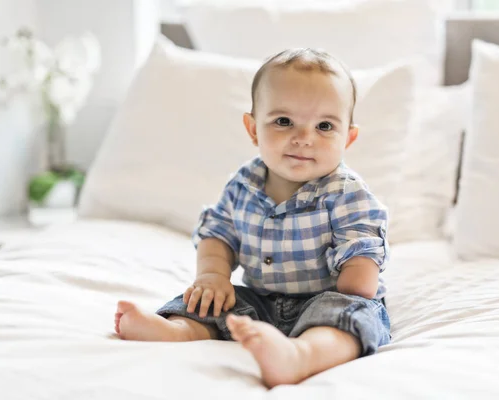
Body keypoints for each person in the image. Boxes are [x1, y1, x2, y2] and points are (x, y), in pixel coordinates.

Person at [114, 48, 391, 388]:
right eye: (283, 121)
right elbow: (218, 234)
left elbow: (361, 249)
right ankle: (177, 330)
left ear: (348, 137)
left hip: (326, 296)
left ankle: (301, 355)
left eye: (324, 126)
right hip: (260, 300)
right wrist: (213, 275)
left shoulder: (345, 192)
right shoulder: (242, 184)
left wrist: (359, 272)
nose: (304, 137)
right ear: (253, 128)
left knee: (348, 317)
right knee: (214, 300)